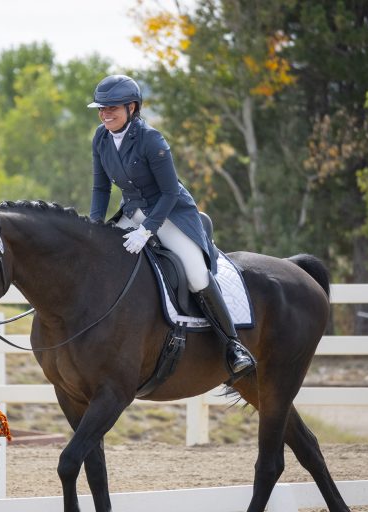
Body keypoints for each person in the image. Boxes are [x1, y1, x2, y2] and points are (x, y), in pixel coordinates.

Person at [87, 74, 255, 379]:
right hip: (132, 211)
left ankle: (233, 346)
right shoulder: (100, 138)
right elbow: (101, 190)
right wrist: (94, 228)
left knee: (196, 273)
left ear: (132, 107)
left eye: (112, 108)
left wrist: (147, 229)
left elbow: (169, 193)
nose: (105, 113)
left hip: (170, 214)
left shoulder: (151, 140)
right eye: (101, 108)